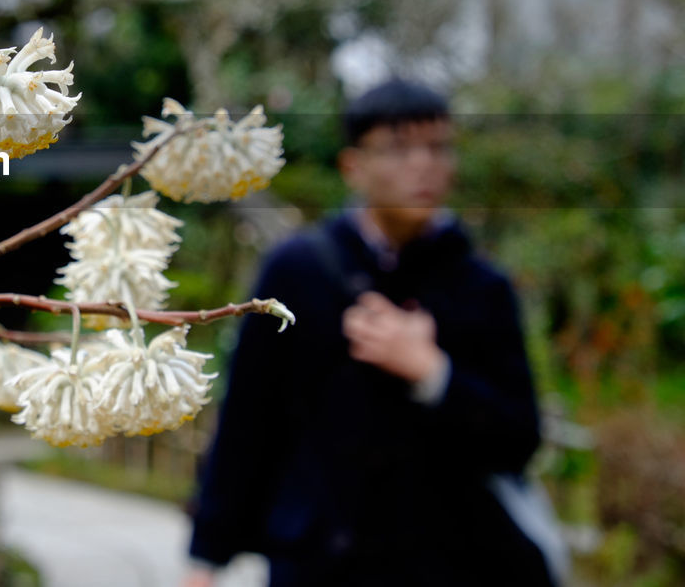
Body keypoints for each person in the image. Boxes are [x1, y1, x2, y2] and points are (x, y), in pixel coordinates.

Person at [184, 78, 553, 587]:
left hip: (450, 565)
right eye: (398, 149)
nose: (423, 165)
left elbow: (520, 437)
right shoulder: (297, 272)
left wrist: (434, 373)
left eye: (438, 147)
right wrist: (206, 559)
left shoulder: (481, 287)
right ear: (353, 166)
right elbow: (249, 420)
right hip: (318, 563)